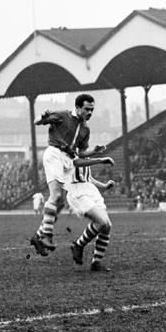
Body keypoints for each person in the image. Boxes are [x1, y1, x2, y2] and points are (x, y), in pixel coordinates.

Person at [29, 94, 106, 256]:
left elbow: (83, 151)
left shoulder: (85, 129)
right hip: (55, 154)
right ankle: (46, 235)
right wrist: (42, 116)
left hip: (68, 161)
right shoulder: (63, 115)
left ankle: (38, 236)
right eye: (87, 109)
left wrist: (95, 150)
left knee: (61, 203)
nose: (90, 112)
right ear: (77, 107)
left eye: (92, 110)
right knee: (55, 195)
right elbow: (37, 121)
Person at [67, 155, 116, 272]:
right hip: (77, 190)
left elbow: (88, 178)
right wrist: (101, 160)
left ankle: (96, 263)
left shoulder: (85, 153)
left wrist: (103, 186)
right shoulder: (69, 150)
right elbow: (76, 162)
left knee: (107, 225)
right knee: (101, 222)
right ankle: (78, 245)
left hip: (90, 190)